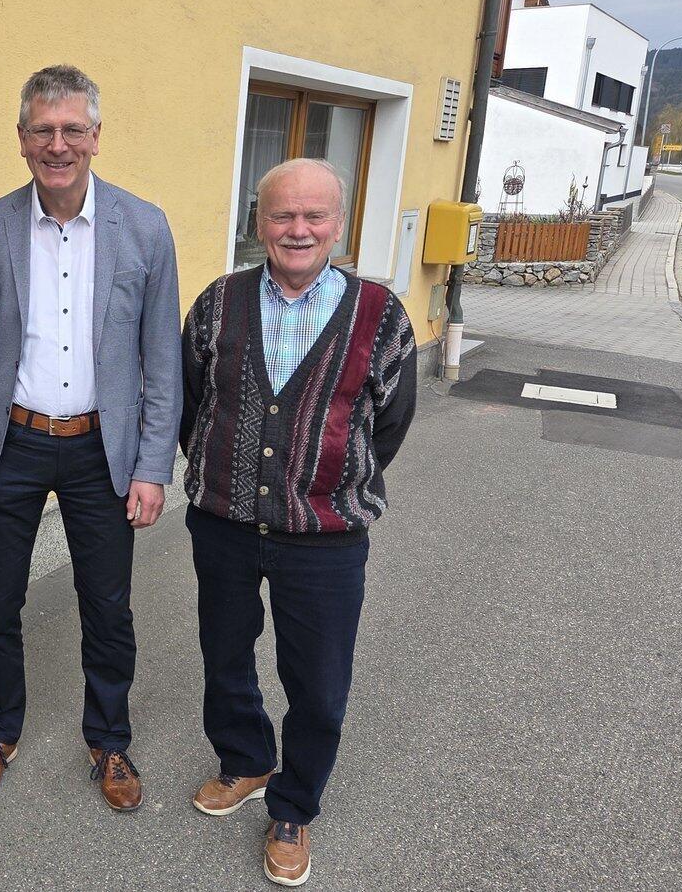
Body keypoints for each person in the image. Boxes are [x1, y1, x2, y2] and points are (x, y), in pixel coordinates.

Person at [179, 158, 416, 887]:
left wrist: (325, 480)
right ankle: (246, 759)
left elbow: (390, 423)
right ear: (259, 223)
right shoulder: (219, 302)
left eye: (315, 215)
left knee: (317, 678)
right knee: (225, 653)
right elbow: (193, 403)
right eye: (283, 215)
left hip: (325, 537)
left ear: (339, 225)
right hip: (223, 523)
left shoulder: (381, 314)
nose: (299, 229)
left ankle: (295, 804)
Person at [0, 65, 182, 811]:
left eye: (72, 130)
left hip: (101, 449)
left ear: (95, 136)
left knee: (108, 606)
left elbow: (161, 357)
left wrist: (153, 466)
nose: (58, 145)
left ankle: (109, 739)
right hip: (11, 443)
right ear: (22, 139)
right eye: (43, 131)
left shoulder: (143, 226)